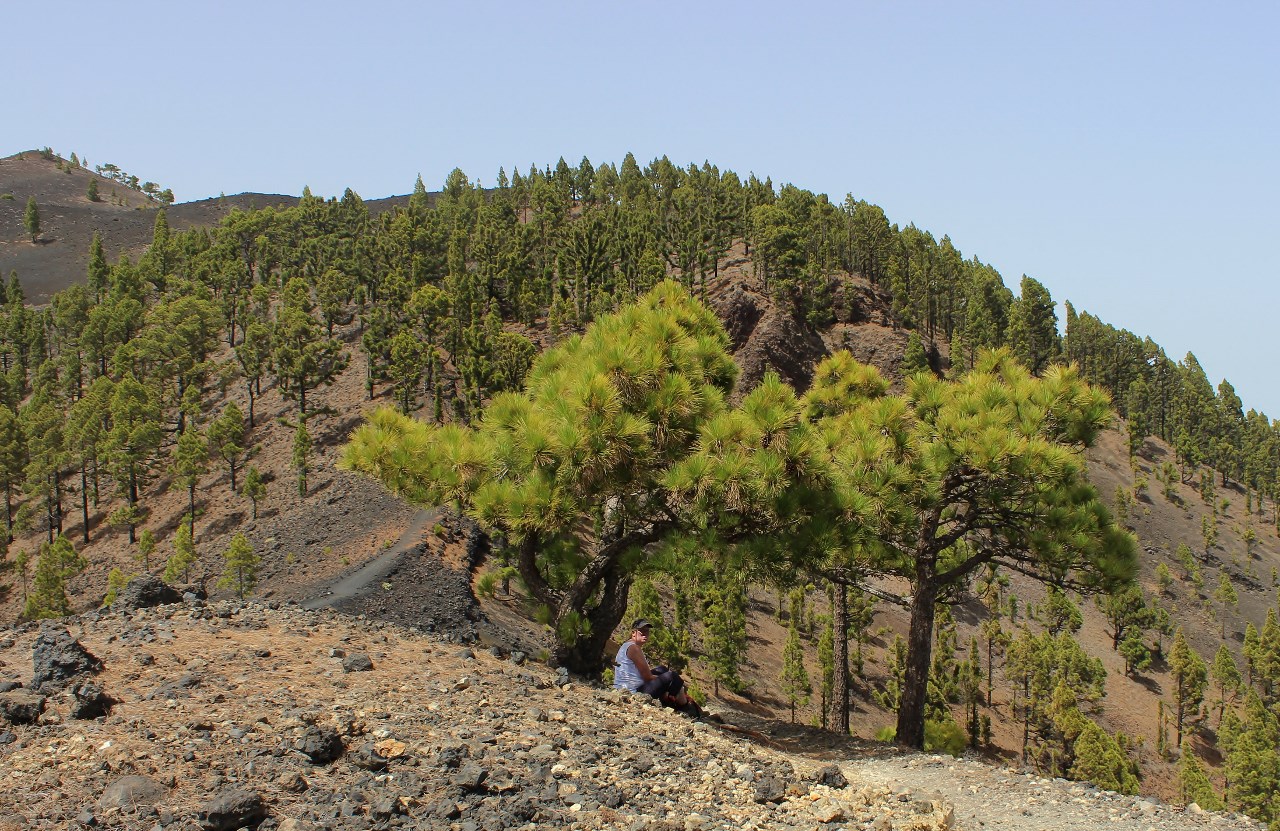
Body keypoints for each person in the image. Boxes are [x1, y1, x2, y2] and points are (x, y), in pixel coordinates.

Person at [612, 619, 701, 715]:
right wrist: (669, 682)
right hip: (633, 692)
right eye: (642, 631)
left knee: (662, 669)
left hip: (625, 688)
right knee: (672, 677)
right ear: (634, 633)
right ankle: (685, 707)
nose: (645, 634)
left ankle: (667, 700)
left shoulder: (628, 645)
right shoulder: (634, 648)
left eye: (647, 631)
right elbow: (648, 677)